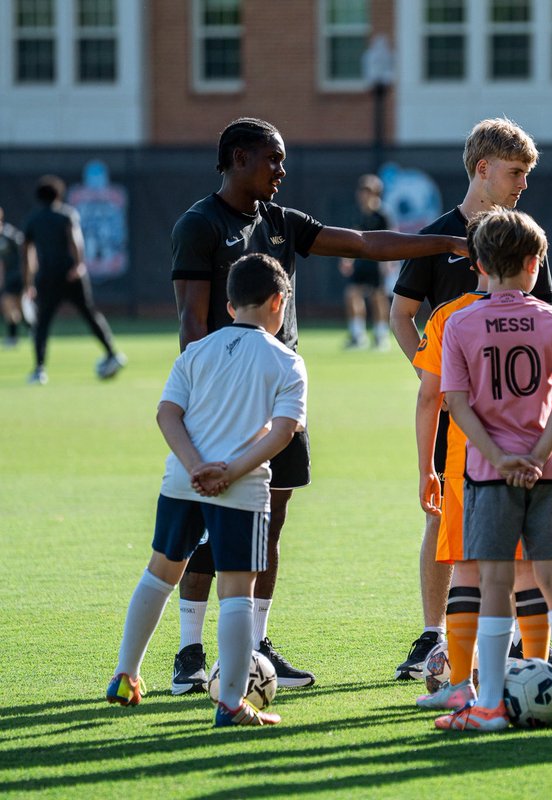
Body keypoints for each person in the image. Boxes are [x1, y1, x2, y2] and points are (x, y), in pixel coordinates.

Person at [169, 117, 466, 696]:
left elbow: (361, 243)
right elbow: (190, 319)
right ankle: (189, 654)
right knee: (212, 528)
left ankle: (255, 645)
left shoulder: (280, 223)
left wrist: (444, 242)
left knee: (270, 522)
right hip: (226, 402)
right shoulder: (199, 224)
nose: (281, 170)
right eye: (271, 159)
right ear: (236, 158)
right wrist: (212, 394)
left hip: (281, 397)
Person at [389, 117, 552, 682]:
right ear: (482, 168)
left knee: (517, 524)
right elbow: (400, 313)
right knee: (445, 518)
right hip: (457, 413)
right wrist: (431, 375)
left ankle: (510, 643)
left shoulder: (525, 239)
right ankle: (434, 636)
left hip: (516, 411)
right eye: (515, 173)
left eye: (527, 175)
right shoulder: (435, 236)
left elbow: (550, 322)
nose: (522, 186)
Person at [106, 253, 304, 727]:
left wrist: (196, 466)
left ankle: (125, 674)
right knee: (237, 592)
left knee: (159, 574)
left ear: (230, 305)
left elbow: (166, 414)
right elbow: (283, 432)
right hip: (241, 489)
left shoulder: (196, 351)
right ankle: (232, 704)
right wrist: (229, 472)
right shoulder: (287, 360)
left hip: (182, 480)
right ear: (279, 302)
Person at [433, 209, 552, 732]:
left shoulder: (460, 322)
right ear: (533, 262)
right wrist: (539, 453)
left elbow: (455, 403)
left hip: (488, 471)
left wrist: (500, 458)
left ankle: (491, 705)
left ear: (478, 264)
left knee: (495, 582)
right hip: (547, 472)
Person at [411, 213, 552, 711]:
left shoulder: (451, 316)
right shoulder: (545, 315)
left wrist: (425, 467)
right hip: (533, 459)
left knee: (468, 569)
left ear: (472, 260)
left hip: (468, 462)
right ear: (532, 263)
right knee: (528, 571)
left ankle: (461, 685)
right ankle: (539, 671)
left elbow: (432, 398)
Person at [20, 175, 125, 384]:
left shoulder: (33, 219)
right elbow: (75, 238)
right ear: (59, 195)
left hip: (48, 276)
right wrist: (79, 265)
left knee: (43, 323)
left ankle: (39, 369)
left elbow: (27, 254)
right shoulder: (66, 214)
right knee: (89, 313)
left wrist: (28, 284)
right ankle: (113, 354)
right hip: (70, 274)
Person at [338, 174, 393, 350]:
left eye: (368, 191)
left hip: (377, 262)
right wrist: (347, 259)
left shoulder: (383, 215)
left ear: (376, 193)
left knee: (378, 297)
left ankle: (380, 335)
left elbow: (392, 239)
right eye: (362, 191)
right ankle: (357, 335)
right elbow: (352, 238)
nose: (364, 195)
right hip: (361, 262)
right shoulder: (356, 214)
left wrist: (389, 263)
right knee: (352, 294)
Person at [0, 206, 27, 347]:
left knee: (12, 304)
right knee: (13, 307)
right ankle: (15, 336)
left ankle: (14, 336)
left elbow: (27, 252)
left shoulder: (9, 234)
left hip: (19, 275)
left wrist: (28, 276)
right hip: (9, 276)